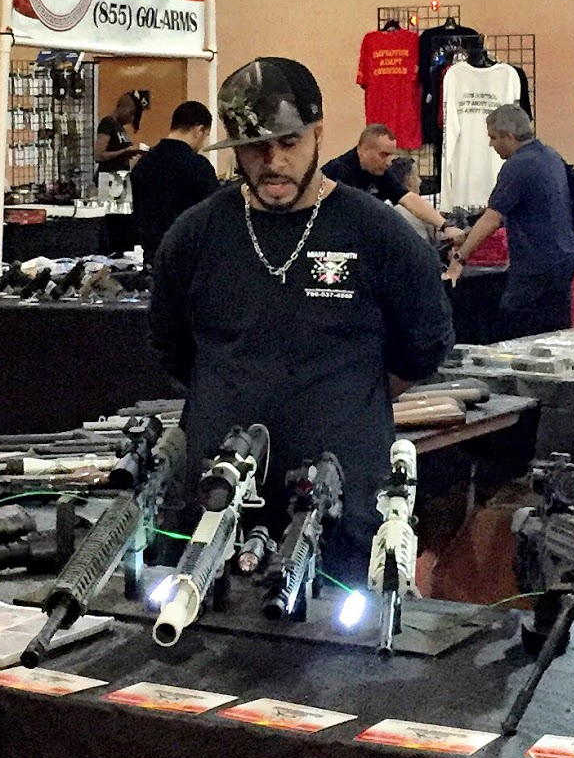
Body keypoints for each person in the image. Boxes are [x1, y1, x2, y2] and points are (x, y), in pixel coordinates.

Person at [149, 58, 453, 576]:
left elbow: (424, 346)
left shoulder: (379, 234)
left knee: (342, 623)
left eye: (289, 143)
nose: (273, 162)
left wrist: (342, 399)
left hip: (342, 503)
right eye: (255, 147)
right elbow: (173, 349)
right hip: (217, 501)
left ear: (318, 133)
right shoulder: (195, 236)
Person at [445, 105, 574, 338]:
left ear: (509, 136)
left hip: (535, 266)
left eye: (493, 137)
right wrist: (469, 234)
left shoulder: (518, 165)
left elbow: (492, 218)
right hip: (564, 258)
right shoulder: (550, 156)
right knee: (555, 332)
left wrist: (459, 259)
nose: (491, 145)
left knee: (514, 327)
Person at [130, 98, 219, 259]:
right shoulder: (198, 166)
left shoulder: (143, 164)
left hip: (153, 257)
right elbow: (214, 216)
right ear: (199, 130)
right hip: (190, 259)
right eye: (206, 135)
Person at [324, 121, 449, 231]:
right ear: (364, 150)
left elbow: (408, 198)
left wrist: (445, 225)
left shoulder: (378, 171)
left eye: (391, 155)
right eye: (384, 155)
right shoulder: (337, 172)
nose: (389, 162)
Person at [94, 90, 147, 171]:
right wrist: (123, 152)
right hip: (108, 175)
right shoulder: (108, 123)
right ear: (123, 108)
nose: (132, 119)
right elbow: (98, 155)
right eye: (131, 113)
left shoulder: (120, 127)